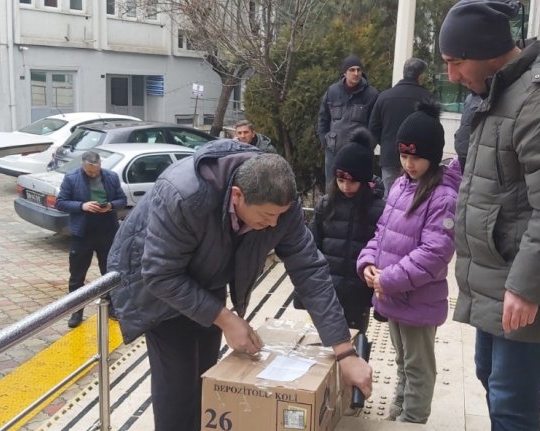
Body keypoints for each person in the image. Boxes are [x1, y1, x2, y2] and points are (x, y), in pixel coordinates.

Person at [107, 140, 372, 431]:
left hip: (207, 276)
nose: (273, 225)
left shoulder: (280, 203)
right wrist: (225, 317)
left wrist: (345, 352)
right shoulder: (184, 195)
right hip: (156, 287)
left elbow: (309, 268)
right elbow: (159, 274)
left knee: (207, 376)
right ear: (237, 196)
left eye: (279, 216)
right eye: (266, 216)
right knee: (178, 385)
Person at [439, 1, 540, 429]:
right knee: (491, 380)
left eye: (456, 62)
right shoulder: (498, 91)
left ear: (488, 51)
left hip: (524, 286)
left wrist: (527, 288)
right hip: (497, 278)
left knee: (513, 406)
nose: (452, 76)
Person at [357, 100, 461, 423]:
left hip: (416, 298)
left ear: (432, 155)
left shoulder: (443, 196)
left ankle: (412, 419)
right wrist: (368, 262)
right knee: (402, 362)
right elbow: (382, 232)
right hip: (392, 293)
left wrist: (386, 278)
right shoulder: (402, 185)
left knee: (418, 368)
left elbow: (434, 254)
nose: (408, 163)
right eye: (403, 156)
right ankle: (399, 412)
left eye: (416, 157)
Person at [295, 128, 385, 333]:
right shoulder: (326, 205)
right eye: (340, 180)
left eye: (352, 181)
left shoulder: (378, 209)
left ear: (364, 181)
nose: (345, 186)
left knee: (355, 345)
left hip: (358, 294)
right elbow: (310, 248)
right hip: (327, 290)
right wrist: (303, 293)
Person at [55, 151, 127, 328]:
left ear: (100, 165)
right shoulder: (71, 178)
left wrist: (110, 206)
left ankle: (111, 307)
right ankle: (76, 311)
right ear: (83, 166)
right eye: (89, 172)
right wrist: (82, 206)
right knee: (77, 276)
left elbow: (122, 200)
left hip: (107, 232)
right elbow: (61, 202)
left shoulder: (111, 177)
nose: (93, 174)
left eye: (95, 171)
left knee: (109, 273)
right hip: (83, 234)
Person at [369, 57, 431, 195]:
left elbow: (373, 129)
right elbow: (432, 132)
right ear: (420, 76)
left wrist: (386, 142)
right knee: (414, 198)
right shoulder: (426, 98)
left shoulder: (384, 96)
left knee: (390, 197)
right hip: (417, 158)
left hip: (389, 155)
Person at [317, 54, 379, 185]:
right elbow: (323, 117)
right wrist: (324, 140)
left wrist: (367, 147)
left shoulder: (371, 94)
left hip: (358, 153)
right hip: (333, 151)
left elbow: (375, 125)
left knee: (357, 190)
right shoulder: (332, 91)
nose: (356, 73)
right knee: (331, 189)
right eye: (352, 70)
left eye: (359, 70)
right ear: (344, 72)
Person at [453, 92, 482, 174]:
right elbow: (464, 122)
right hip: (465, 147)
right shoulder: (470, 97)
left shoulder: (483, 98)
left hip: (471, 149)